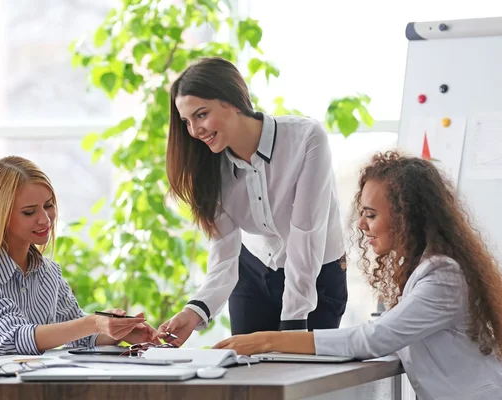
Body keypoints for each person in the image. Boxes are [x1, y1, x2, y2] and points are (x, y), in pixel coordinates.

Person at [214, 151, 502, 399]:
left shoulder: (443, 276)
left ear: (406, 217)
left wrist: (268, 341)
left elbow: (375, 339)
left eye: (371, 214)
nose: (362, 225)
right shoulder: (425, 269)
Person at [158, 56, 347, 345]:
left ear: (232, 101)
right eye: (186, 121)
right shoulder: (210, 168)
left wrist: (293, 325)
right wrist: (194, 311)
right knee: (249, 379)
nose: (194, 131)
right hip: (254, 270)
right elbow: (224, 250)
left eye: (201, 115)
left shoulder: (307, 138)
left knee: (303, 380)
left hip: (318, 272)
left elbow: (306, 234)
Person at [0, 156, 158, 362]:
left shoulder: (49, 272)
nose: (45, 219)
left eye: (48, 206)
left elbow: (80, 338)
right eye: (29, 212)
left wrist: (118, 331)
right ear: (0, 216)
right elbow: (11, 338)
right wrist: (93, 322)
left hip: (26, 388)